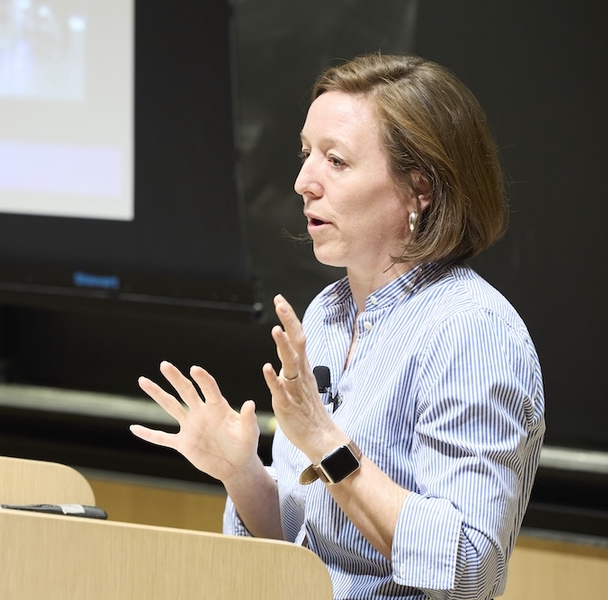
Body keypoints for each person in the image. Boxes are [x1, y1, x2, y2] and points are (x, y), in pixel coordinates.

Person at [129, 52, 545, 600]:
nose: (304, 182)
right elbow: (305, 548)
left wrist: (327, 442)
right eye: (306, 154)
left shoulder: (471, 332)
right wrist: (243, 473)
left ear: (419, 190)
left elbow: (470, 568)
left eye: (337, 161)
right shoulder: (328, 314)